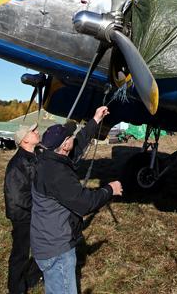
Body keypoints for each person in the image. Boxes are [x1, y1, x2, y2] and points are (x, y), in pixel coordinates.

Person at [31, 106, 122, 294]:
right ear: (64, 145)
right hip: (56, 248)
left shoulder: (50, 158)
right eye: (69, 136)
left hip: (47, 241)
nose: (73, 137)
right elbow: (85, 203)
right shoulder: (57, 174)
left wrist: (95, 119)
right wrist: (109, 190)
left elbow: (78, 143)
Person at [4, 122, 42, 294]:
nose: (37, 132)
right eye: (32, 131)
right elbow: (19, 197)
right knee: (20, 253)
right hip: (23, 216)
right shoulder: (17, 164)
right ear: (25, 140)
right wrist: (41, 206)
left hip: (33, 212)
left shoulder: (34, 156)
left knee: (40, 248)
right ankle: (16, 289)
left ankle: (32, 278)